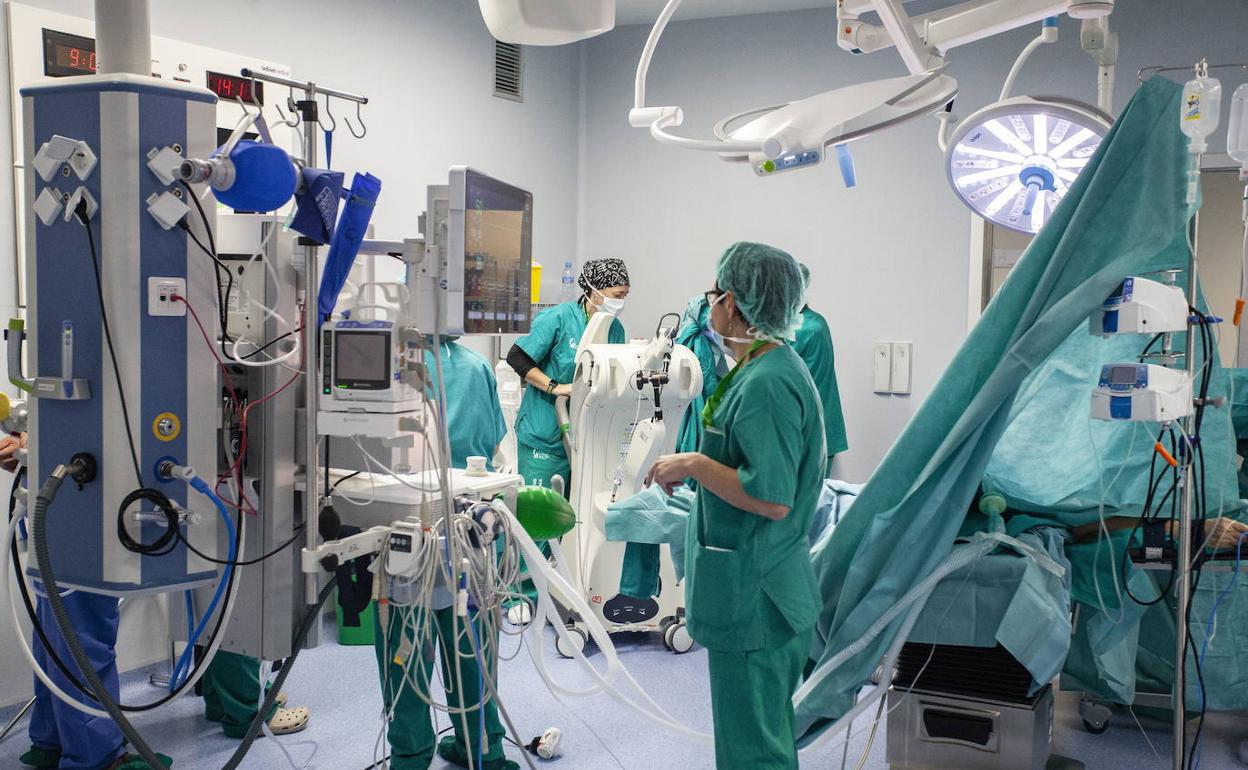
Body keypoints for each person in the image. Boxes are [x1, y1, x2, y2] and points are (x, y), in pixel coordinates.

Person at [646, 242, 824, 770]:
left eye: (714, 295)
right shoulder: (759, 367)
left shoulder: (768, 382)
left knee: (755, 753)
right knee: (757, 740)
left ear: (735, 301)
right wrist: (699, 463)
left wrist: (696, 466)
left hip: (756, 598)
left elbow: (770, 498)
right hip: (751, 587)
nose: (710, 306)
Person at [373, 335, 518, 770]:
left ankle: (411, 756)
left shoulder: (384, 359)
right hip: (466, 528)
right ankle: (484, 749)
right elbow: (489, 444)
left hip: (402, 527)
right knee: (470, 643)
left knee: (405, 651)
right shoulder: (475, 366)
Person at [1, 435, 171, 770]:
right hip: (83, 505)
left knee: (55, 630)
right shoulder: (109, 383)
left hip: (56, 507)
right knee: (82, 635)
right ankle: (98, 758)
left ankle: (53, 741)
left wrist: (32, 442)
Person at [505, 258, 629, 492]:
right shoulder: (558, 318)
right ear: (595, 290)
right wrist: (556, 387)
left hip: (586, 440)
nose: (621, 302)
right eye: (617, 294)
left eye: (625, 296)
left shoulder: (615, 329)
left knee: (573, 518)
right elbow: (517, 357)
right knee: (540, 518)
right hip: (544, 436)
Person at [793, 264, 848, 477]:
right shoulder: (814, 322)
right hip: (812, 434)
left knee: (803, 506)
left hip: (809, 437)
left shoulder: (806, 329)